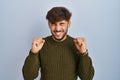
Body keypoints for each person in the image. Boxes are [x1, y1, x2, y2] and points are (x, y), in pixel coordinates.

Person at [22, 6, 94, 80]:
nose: (57, 29)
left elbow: (87, 77)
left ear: (68, 24)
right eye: (53, 24)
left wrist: (84, 54)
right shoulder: (41, 45)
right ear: (49, 24)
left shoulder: (77, 46)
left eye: (61, 24)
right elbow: (28, 77)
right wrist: (33, 53)